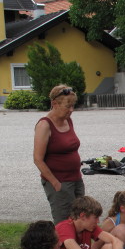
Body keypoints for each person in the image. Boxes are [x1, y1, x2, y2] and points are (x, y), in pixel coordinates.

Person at [33, 85, 84, 224]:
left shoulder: (68, 120)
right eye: (68, 106)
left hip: (76, 179)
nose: (71, 110)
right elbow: (38, 159)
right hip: (60, 182)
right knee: (64, 223)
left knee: (80, 219)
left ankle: (81, 246)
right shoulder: (44, 125)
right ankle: (63, 246)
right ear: (54, 104)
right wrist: (55, 184)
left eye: (73, 106)